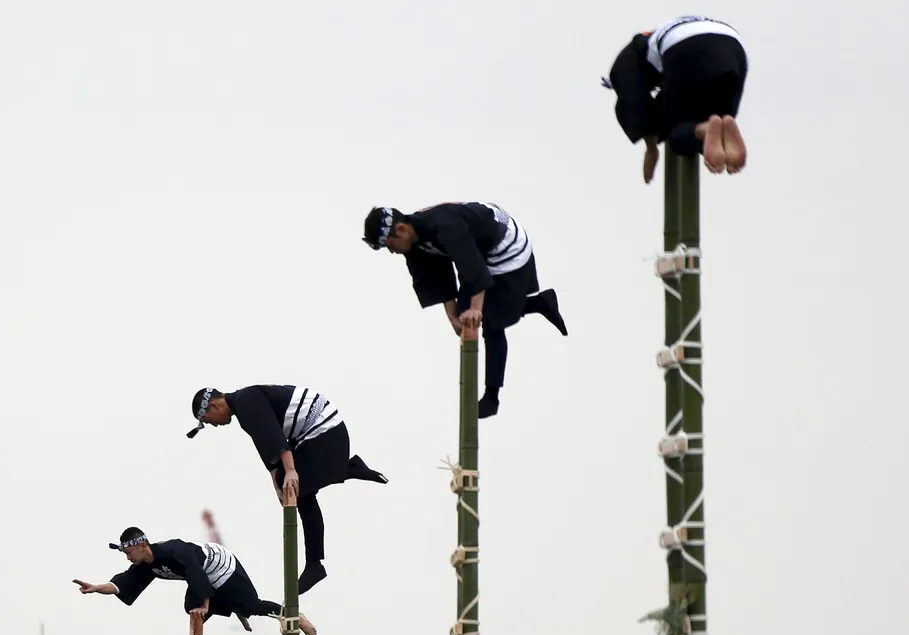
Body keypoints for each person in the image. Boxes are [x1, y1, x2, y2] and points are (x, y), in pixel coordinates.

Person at [361, 202, 568, 418]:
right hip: (479, 252)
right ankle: (540, 303)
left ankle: (491, 397)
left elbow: (470, 261)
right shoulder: (415, 240)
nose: (392, 251)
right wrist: (452, 316)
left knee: (490, 320)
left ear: (401, 229)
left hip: (505, 242)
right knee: (466, 313)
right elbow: (432, 275)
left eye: (389, 244)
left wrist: (477, 308)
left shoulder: (443, 224)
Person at [186, 384, 388, 595]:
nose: (215, 426)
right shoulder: (245, 405)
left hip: (326, 435)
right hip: (321, 437)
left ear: (213, 406)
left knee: (296, 487)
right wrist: (278, 482)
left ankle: (315, 562)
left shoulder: (246, 402)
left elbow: (275, 438)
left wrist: (291, 471)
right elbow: (267, 446)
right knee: (292, 487)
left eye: (210, 421)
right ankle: (346, 471)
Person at [72, 526, 318, 635]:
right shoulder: (145, 566)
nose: (128, 558)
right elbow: (122, 584)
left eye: (128, 552)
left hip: (221, 565)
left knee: (251, 605)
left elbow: (195, 572)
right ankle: (233, 608)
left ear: (142, 545)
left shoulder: (173, 549)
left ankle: (294, 616)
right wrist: (96, 588)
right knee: (191, 608)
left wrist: (205, 601)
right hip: (203, 579)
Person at [601, 15, 749, 181]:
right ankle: (724, 143)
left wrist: (651, 148)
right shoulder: (655, 39)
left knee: (677, 133)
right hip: (733, 46)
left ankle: (704, 129)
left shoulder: (629, 58)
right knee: (719, 121)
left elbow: (634, 102)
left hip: (684, 44)